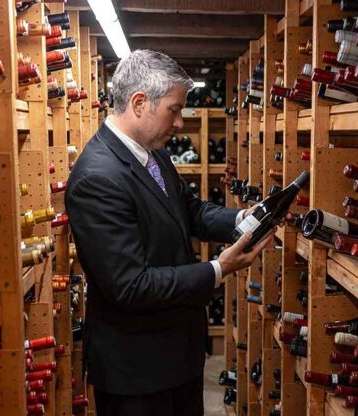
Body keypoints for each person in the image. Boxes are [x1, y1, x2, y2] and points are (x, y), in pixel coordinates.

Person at [64, 49, 274, 416]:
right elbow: (129, 286)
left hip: (178, 358)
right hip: (137, 376)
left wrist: (246, 218)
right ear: (140, 102)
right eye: (174, 110)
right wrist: (218, 269)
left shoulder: (152, 153)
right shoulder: (98, 177)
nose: (179, 123)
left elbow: (190, 211)